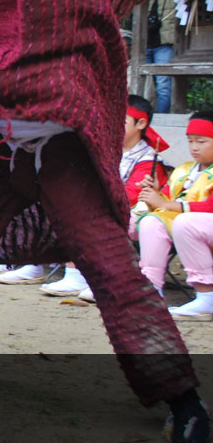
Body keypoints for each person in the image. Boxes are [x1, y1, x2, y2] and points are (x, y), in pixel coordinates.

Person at [38, 95, 170, 300]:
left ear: (141, 123)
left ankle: (90, 277)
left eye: (121, 120)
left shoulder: (149, 159)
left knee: (88, 217)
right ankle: (42, 268)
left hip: (128, 211)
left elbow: (133, 195)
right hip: (101, 204)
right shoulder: (104, 148)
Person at [136, 110, 213, 303]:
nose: (194, 147)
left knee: (185, 222)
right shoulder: (184, 170)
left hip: (197, 224)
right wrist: (155, 194)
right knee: (151, 221)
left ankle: (206, 296)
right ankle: (152, 289)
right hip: (187, 223)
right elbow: (167, 202)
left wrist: (164, 203)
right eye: (190, 141)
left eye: (201, 141)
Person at [146, 0, 176, 114]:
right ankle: (141, 115)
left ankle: (161, 116)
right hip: (145, 43)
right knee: (146, 84)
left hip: (164, 43)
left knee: (162, 84)